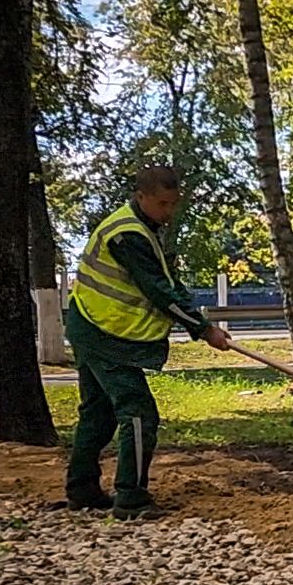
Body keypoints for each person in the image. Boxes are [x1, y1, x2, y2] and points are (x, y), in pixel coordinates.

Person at [61, 166, 231, 519]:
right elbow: (157, 291)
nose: (169, 213)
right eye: (163, 204)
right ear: (142, 197)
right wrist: (203, 330)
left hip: (93, 326)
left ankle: (82, 489)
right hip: (105, 332)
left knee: (98, 412)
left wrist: (200, 322)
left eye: (174, 204)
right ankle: (131, 499)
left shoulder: (143, 229)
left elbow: (168, 281)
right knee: (138, 414)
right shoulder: (129, 235)